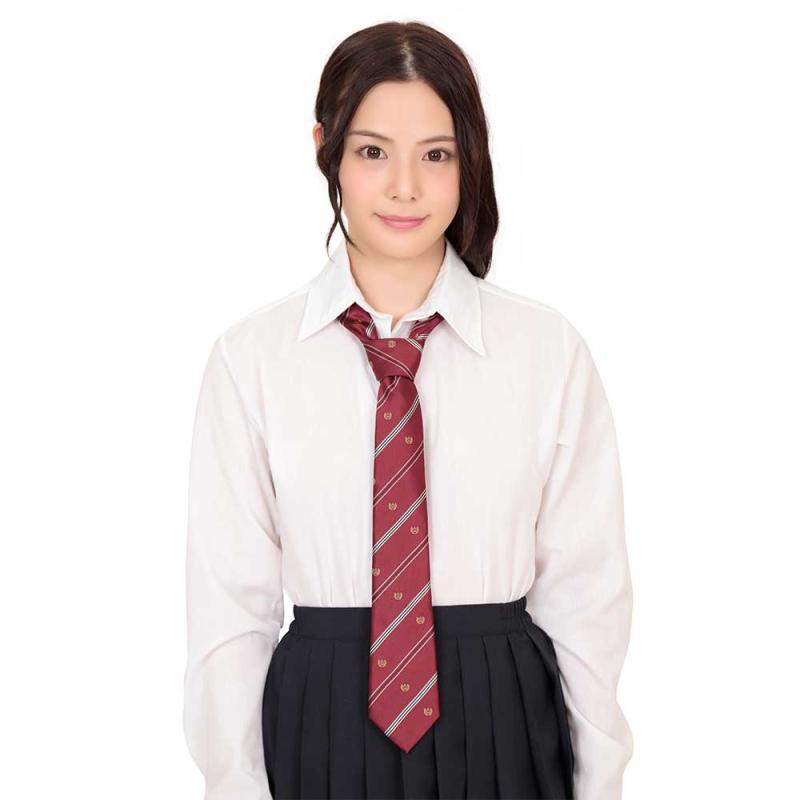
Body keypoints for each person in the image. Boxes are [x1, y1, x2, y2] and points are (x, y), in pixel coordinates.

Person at [182, 20, 633, 800]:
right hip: (319, 721)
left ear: (471, 159)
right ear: (325, 150)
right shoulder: (251, 360)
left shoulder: (546, 352)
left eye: (436, 155)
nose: (404, 187)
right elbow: (229, 612)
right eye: (372, 152)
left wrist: (600, 784)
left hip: (505, 717)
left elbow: (587, 598)